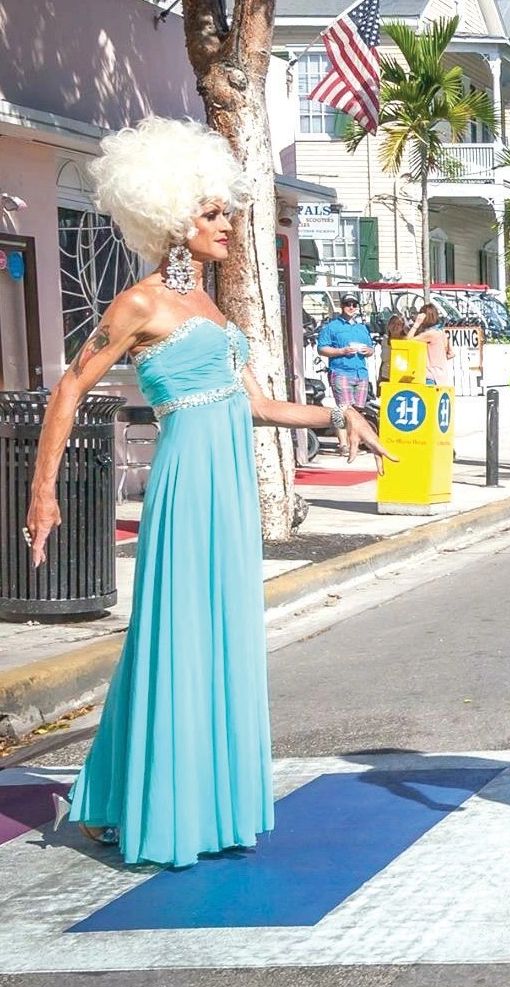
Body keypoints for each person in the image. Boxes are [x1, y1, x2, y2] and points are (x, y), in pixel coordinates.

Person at [25, 118, 390, 867]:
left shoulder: (219, 314)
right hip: (187, 489)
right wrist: (43, 492)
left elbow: (256, 405)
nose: (226, 224)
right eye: (211, 212)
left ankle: (120, 795)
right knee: (173, 642)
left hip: (229, 492)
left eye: (226, 211)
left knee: (213, 641)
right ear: (168, 220)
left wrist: (337, 412)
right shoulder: (139, 305)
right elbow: (70, 386)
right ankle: (152, 807)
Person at [316, 292, 376, 411]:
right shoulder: (331, 327)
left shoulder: (362, 328)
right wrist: (342, 351)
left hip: (361, 374)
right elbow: (321, 349)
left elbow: (371, 350)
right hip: (341, 372)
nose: (351, 307)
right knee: (346, 411)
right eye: (348, 304)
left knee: (359, 411)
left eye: (354, 305)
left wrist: (368, 350)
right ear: (342, 306)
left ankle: (352, 430)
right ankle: (340, 430)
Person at [411, 303, 453, 387]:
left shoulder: (430, 334)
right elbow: (450, 354)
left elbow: (408, 342)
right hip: (441, 376)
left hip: (430, 375)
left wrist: (416, 324)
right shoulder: (441, 333)